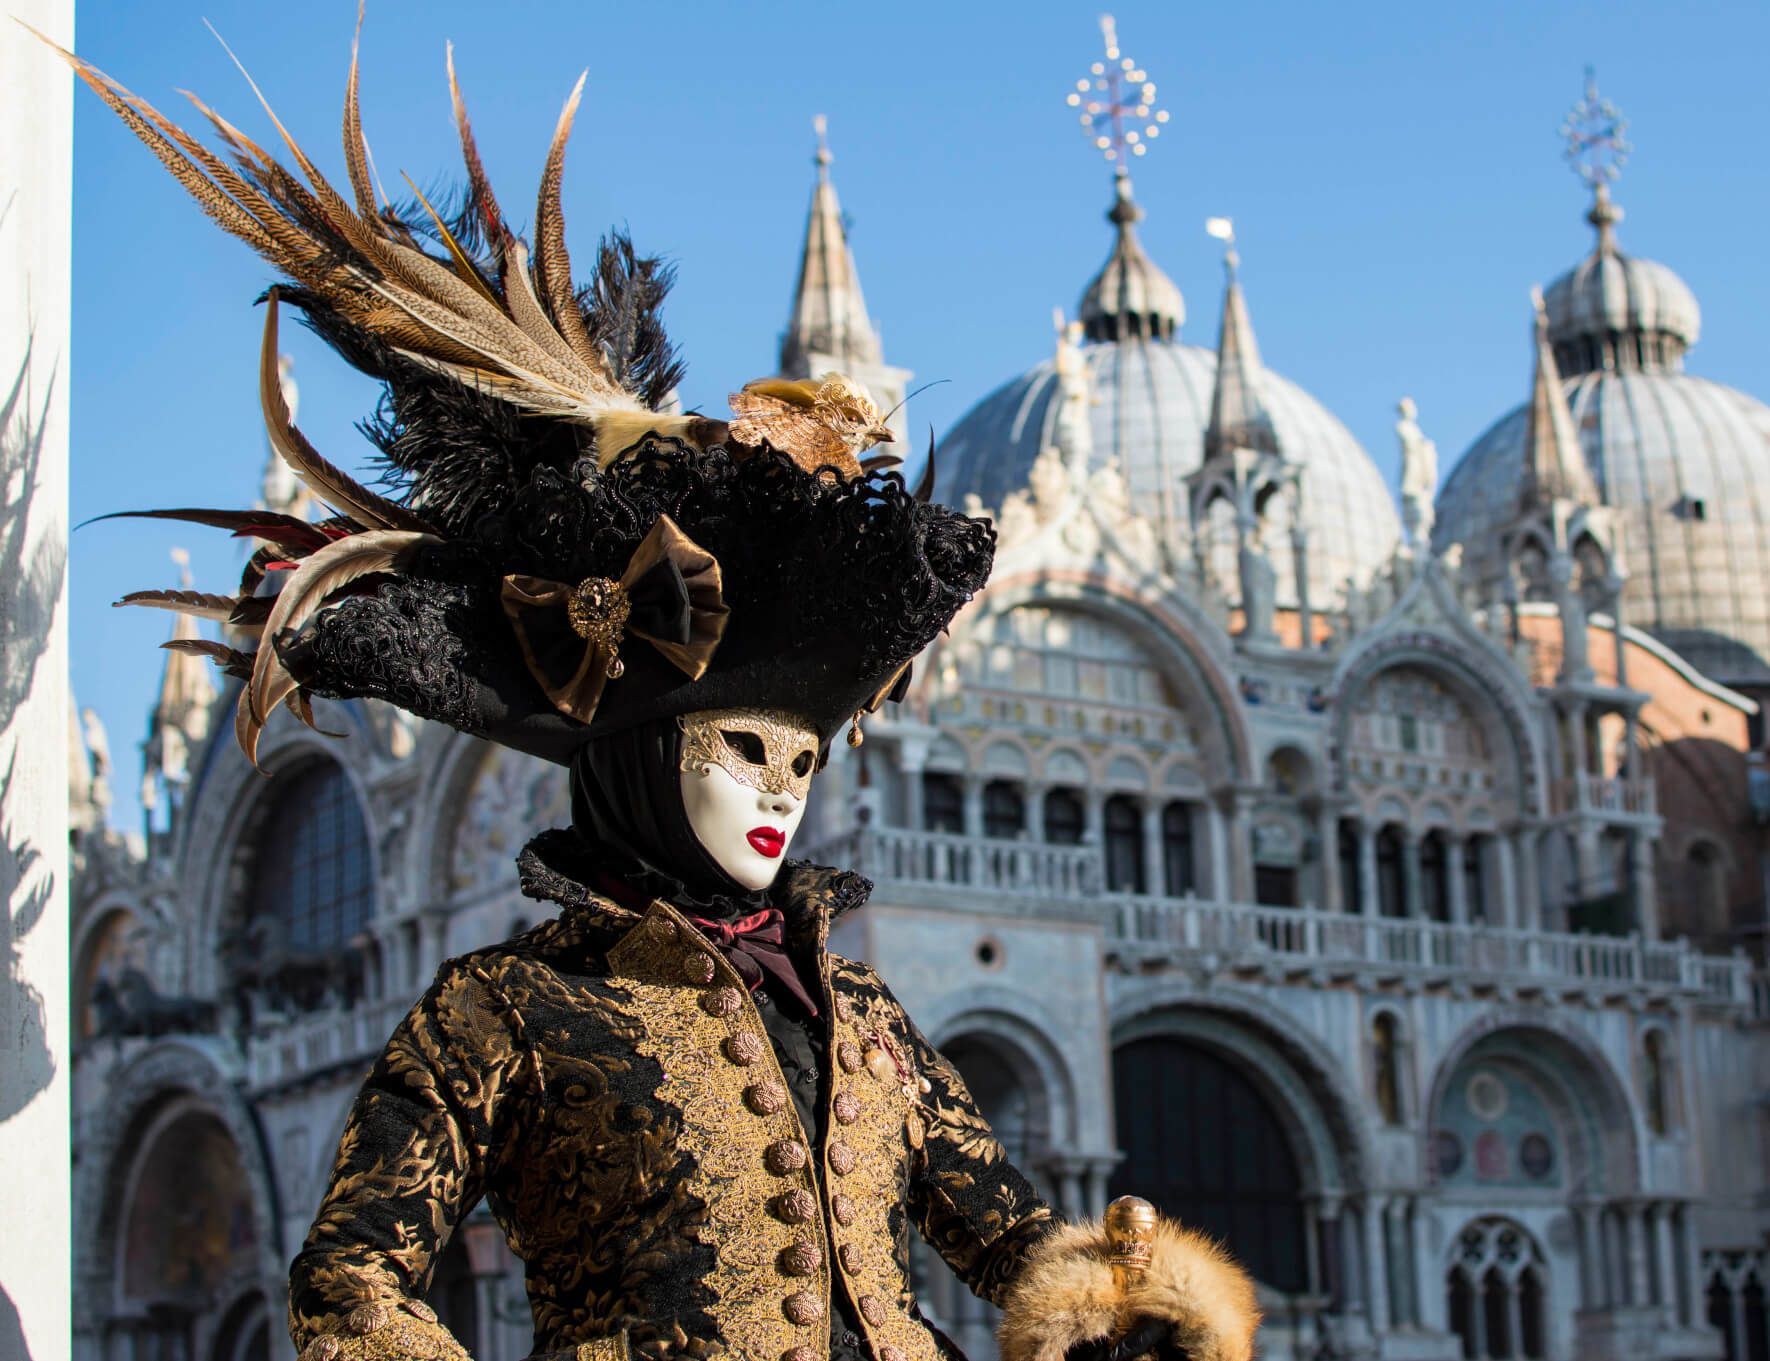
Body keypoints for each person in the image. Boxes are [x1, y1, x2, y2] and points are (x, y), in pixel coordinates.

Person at [52, 24, 1260, 1361]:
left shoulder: (860, 1016)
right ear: (633, 749)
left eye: (803, 766)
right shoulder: (500, 1011)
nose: (779, 793)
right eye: (747, 746)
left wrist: (1125, 1299)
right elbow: (351, 1276)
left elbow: (1003, 1232)